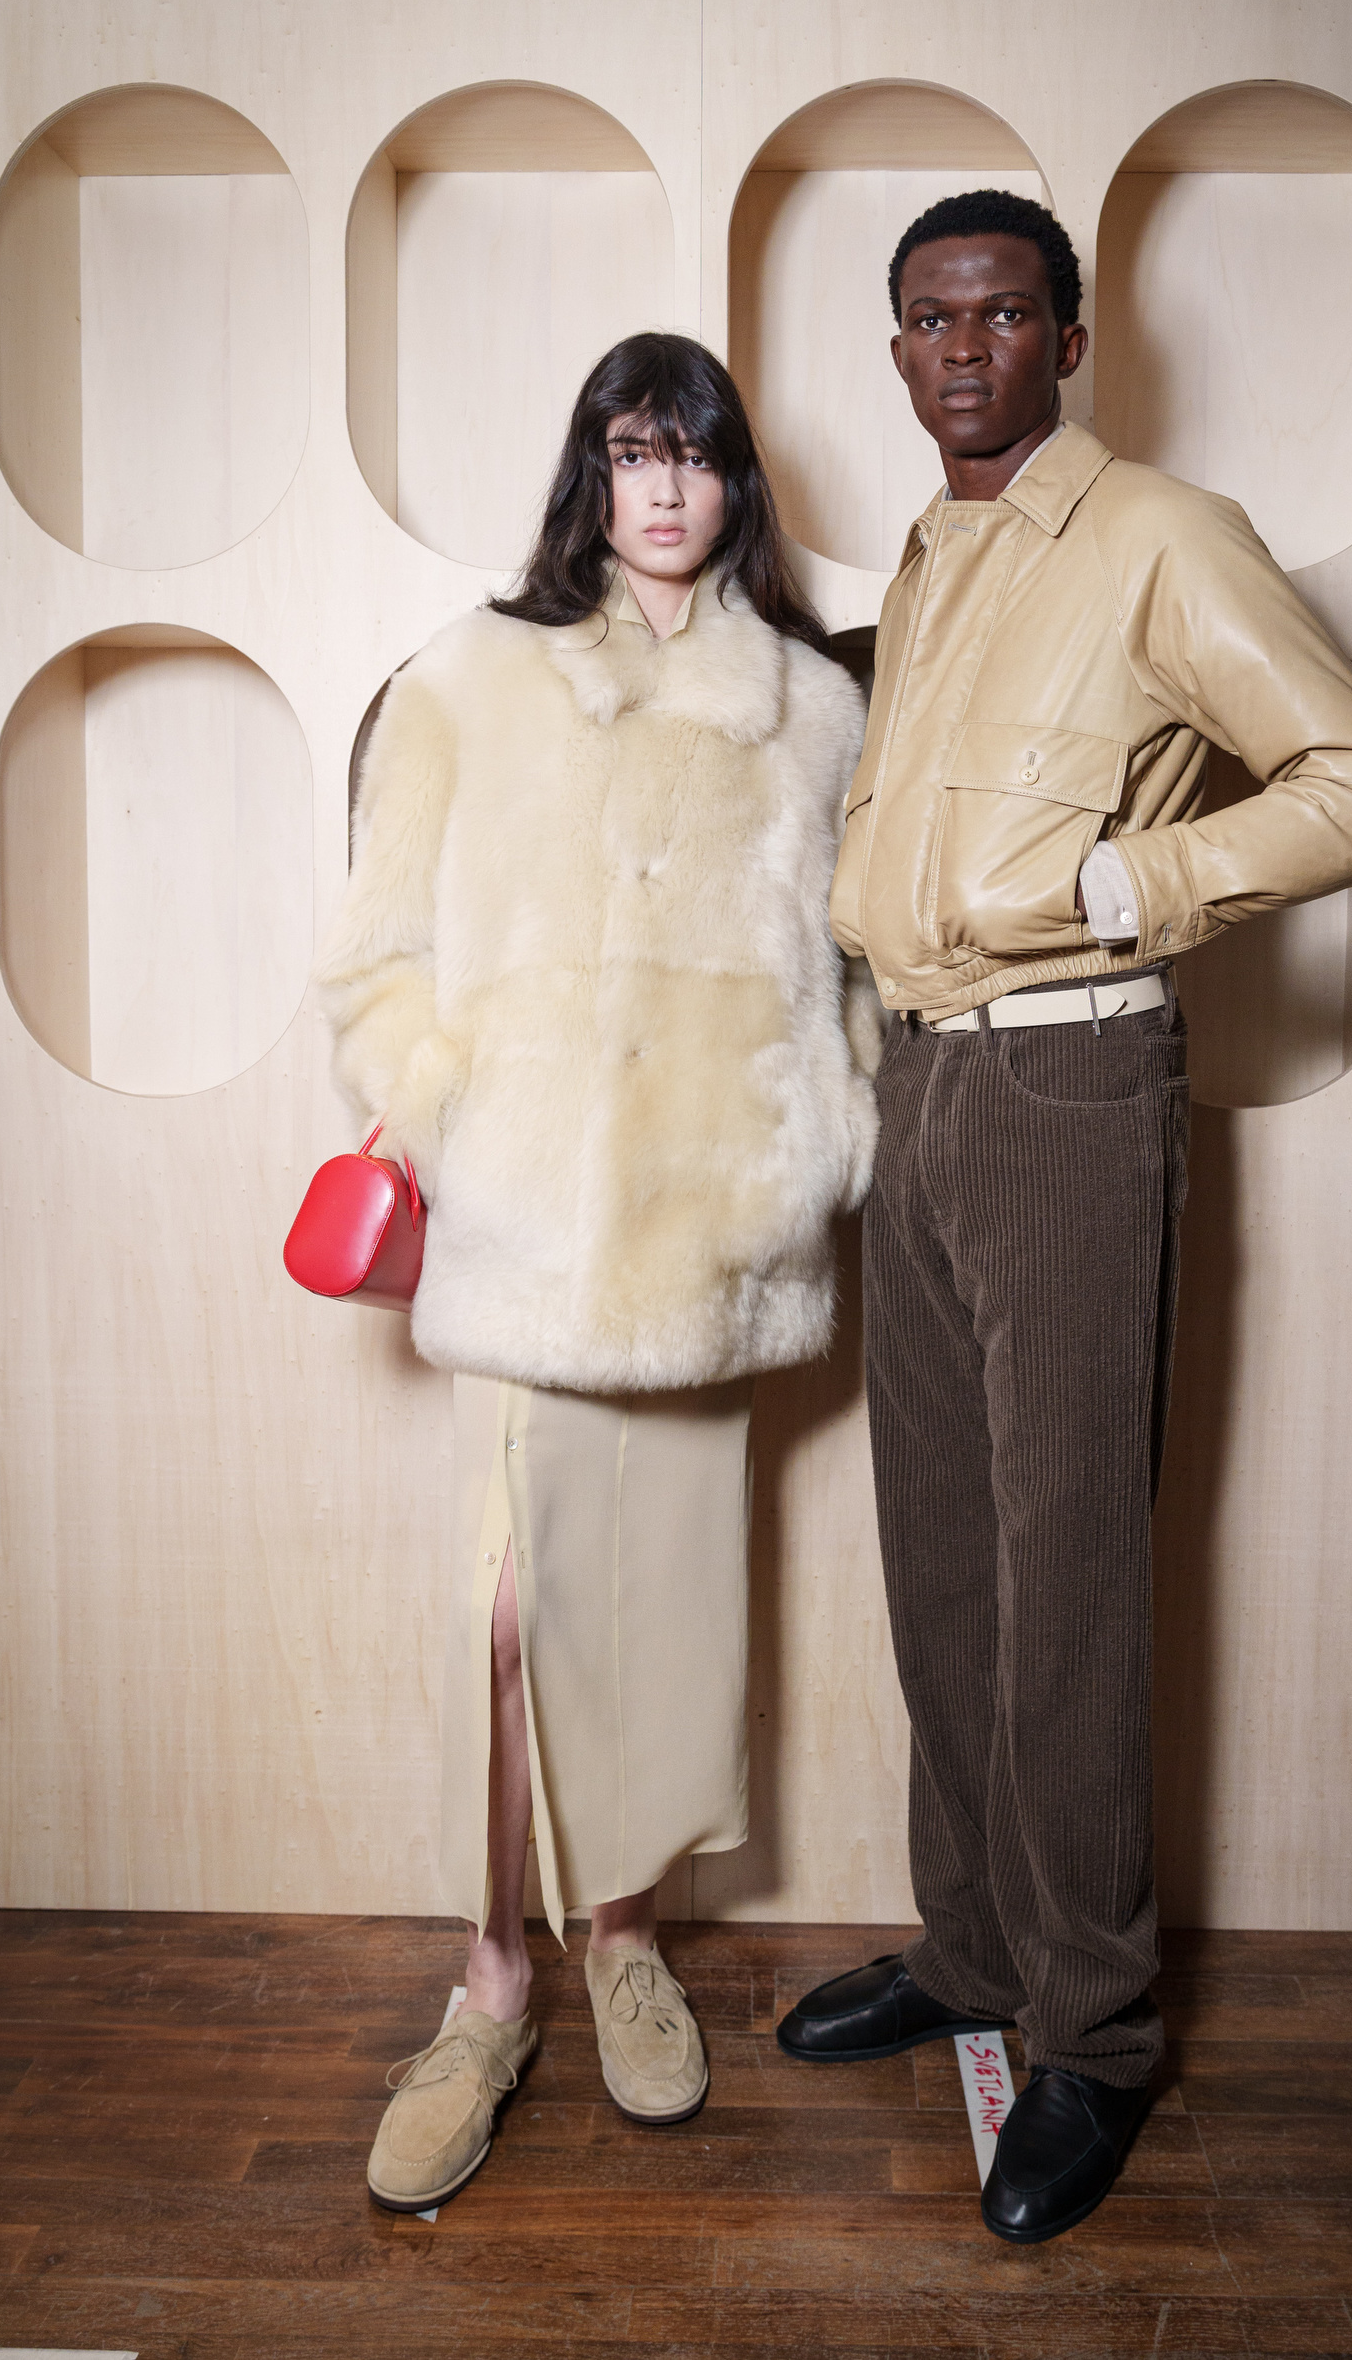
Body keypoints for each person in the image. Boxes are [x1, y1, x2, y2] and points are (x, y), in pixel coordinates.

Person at [777, 190, 1352, 2243]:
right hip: (915, 1084)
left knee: (1062, 1571)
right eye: (928, 318)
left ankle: (1089, 2029)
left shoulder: (1155, 530)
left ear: (1066, 340)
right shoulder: (926, 552)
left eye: (1000, 314)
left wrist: (1117, 888)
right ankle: (972, 1944)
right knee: (939, 1555)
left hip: (1069, 1078)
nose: (962, 347)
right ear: (897, 351)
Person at [317, 332, 879, 2211]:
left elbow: (853, 981)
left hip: (714, 1245)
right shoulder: (470, 679)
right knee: (512, 1620)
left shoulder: (813, 712)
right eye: (634, 452)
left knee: (664, 1624)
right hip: (529, 1241)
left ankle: (626, 1945)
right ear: (592, 473)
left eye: (694, 456)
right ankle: (492, 1985)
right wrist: (452, 1112)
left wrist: (820, 1147)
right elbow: (376, 954)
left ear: (733, 483)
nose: (664, 488)